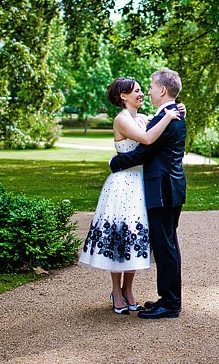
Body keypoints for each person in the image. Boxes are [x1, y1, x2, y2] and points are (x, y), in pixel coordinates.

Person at [78, 77, 186, 315]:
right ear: (123, 96)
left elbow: (153, 137)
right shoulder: (123, 119)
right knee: (120, 236)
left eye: (143, 89)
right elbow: (147, 141)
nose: (142, 93)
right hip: (124, 185)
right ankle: (118, 291)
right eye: (136, 91)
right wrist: (170, 114)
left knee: (136, 238)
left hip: (143, 185)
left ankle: (135, 293)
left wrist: (175, 111)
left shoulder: (145, 118)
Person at [109, 68, 186, 319]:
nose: (148, 91)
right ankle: (167, 299)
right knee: (167, 245)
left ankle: (170, 304)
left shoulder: (166, 117)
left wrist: (115, 163)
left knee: (166, 248)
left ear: (162, 90)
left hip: (162, 189)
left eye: (151, 87)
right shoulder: (172, 115)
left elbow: (143, 153)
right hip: (171, 187)